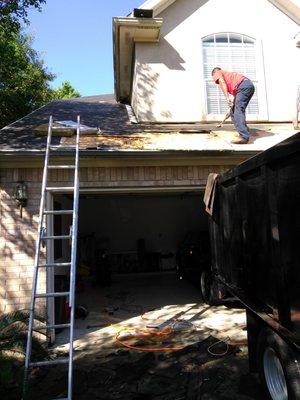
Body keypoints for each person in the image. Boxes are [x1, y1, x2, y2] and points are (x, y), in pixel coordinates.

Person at [211, 67, 255, 144]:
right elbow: (236, 96)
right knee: (234, 111)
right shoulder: (230, 77)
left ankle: (244, 136)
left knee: (238, 110)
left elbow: (222, 82)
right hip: (247, 86)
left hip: (244, 87)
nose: (216, 80)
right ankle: (244, 130)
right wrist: (229, 109)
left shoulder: (217, 72)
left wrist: (227, 98)